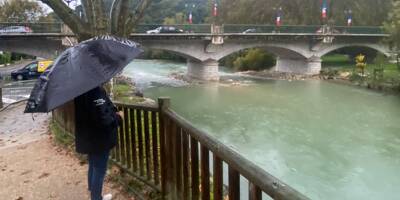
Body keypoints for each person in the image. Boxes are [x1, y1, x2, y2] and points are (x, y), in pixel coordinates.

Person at [74, 86, 123, 200]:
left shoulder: (80, 90)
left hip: (89, 137)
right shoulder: (95, 90)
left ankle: (92, 190)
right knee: (99, 169)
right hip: (99, 139)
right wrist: (118, 117)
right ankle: (96, 197)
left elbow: (96, 113)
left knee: (93, 164)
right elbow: (104, 120)